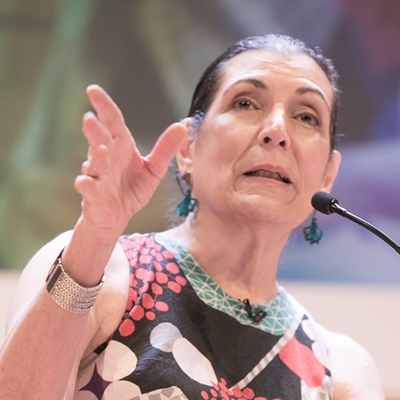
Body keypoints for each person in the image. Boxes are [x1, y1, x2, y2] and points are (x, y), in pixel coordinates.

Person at [0, 34, 384, 399]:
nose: (277, 131)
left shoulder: (341, 368)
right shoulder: (97, 269)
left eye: (307, 117)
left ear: (328, 174)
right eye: (246, 103)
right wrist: (95, 239)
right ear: (187, 148)